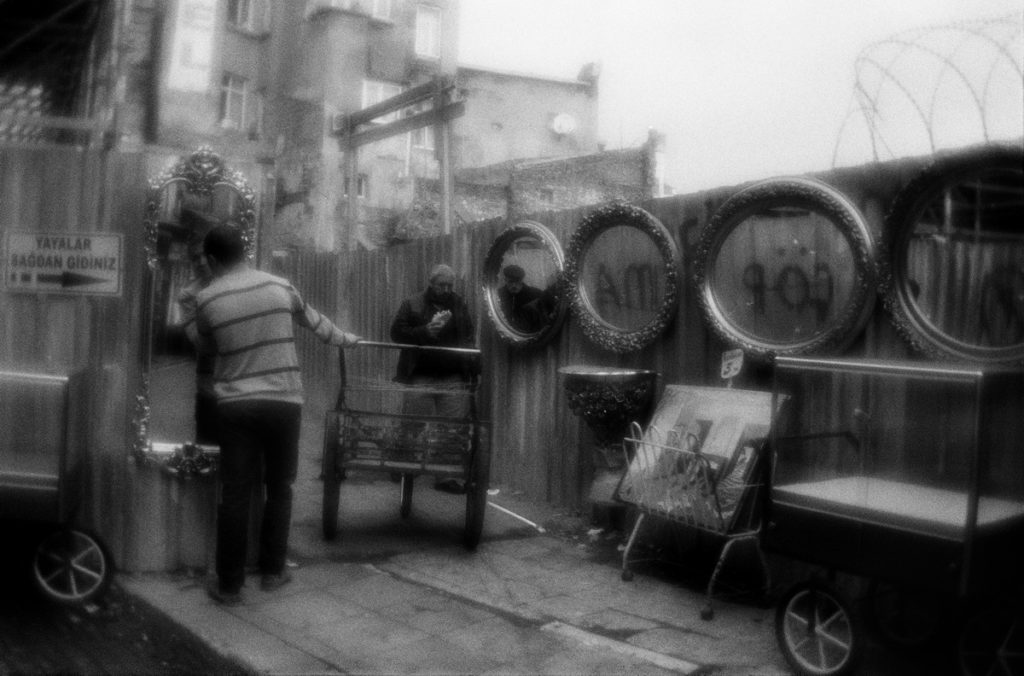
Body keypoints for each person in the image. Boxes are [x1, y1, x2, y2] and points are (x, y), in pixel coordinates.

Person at [193, 224, 360, 606]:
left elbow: (206, 349)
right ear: (245, 252)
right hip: (285, 403)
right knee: (280, 487)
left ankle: (230, 586)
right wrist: (349, 339)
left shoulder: (206, 300)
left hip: (236, 406)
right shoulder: (280, 287)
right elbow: (319, 325)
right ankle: (272, 572)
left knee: (235, 494)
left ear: (213, 260)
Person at [390, 264, 478, 492]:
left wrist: (471, 363)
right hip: (421, 374)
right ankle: (402, 465)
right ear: (431, 284)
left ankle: (445, 476)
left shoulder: (459, 304)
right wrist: (424, 331)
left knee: (452, 428)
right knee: (412, 422)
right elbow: (396, 333)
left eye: (450, 285)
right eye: (442, 285)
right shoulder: (413, 303)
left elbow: (468, 334)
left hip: (452, 375)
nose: (446, 290)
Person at [497, 264, 545, 332]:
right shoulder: (498, 295)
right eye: (510, 281)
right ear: (505, 280)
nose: (514, 285)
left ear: (522, 280)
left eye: (517, 281)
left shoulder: (535, 294)